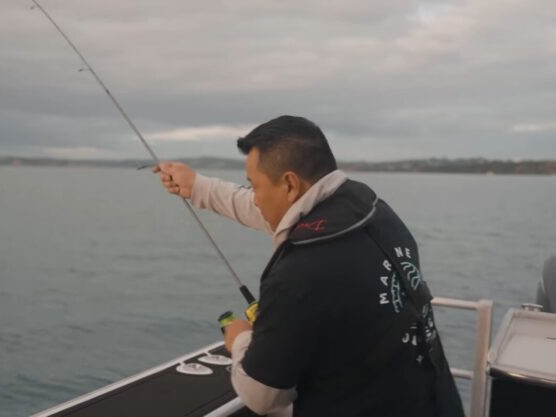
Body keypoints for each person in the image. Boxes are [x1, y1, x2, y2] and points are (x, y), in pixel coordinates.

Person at [153, 115, 464, 417]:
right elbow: (273, 211)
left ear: (289, 184)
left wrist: (240, 340)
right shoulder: (372, 211)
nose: (256, 198)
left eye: (255, 185)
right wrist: (196, 186)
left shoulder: (299, 271)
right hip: (434, 401)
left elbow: (262, 396)